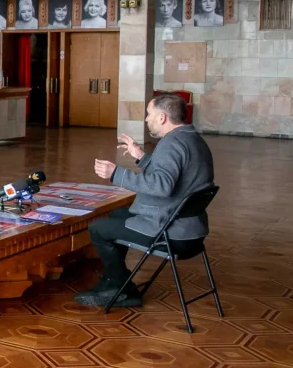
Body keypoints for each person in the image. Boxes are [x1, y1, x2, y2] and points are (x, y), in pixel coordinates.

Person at [77, 93, 214, 308]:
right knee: (117, 214)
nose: (146, 119)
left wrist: (115, 174)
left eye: (149, 114)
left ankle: (118, 285)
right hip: (191, 229)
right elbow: (172, 174)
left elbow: (162, 186)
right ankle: (118, 282)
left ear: (162, 117)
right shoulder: (190, 137)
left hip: (171, 232)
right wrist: (142, 157)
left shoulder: (171, 144)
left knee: (98, 228)